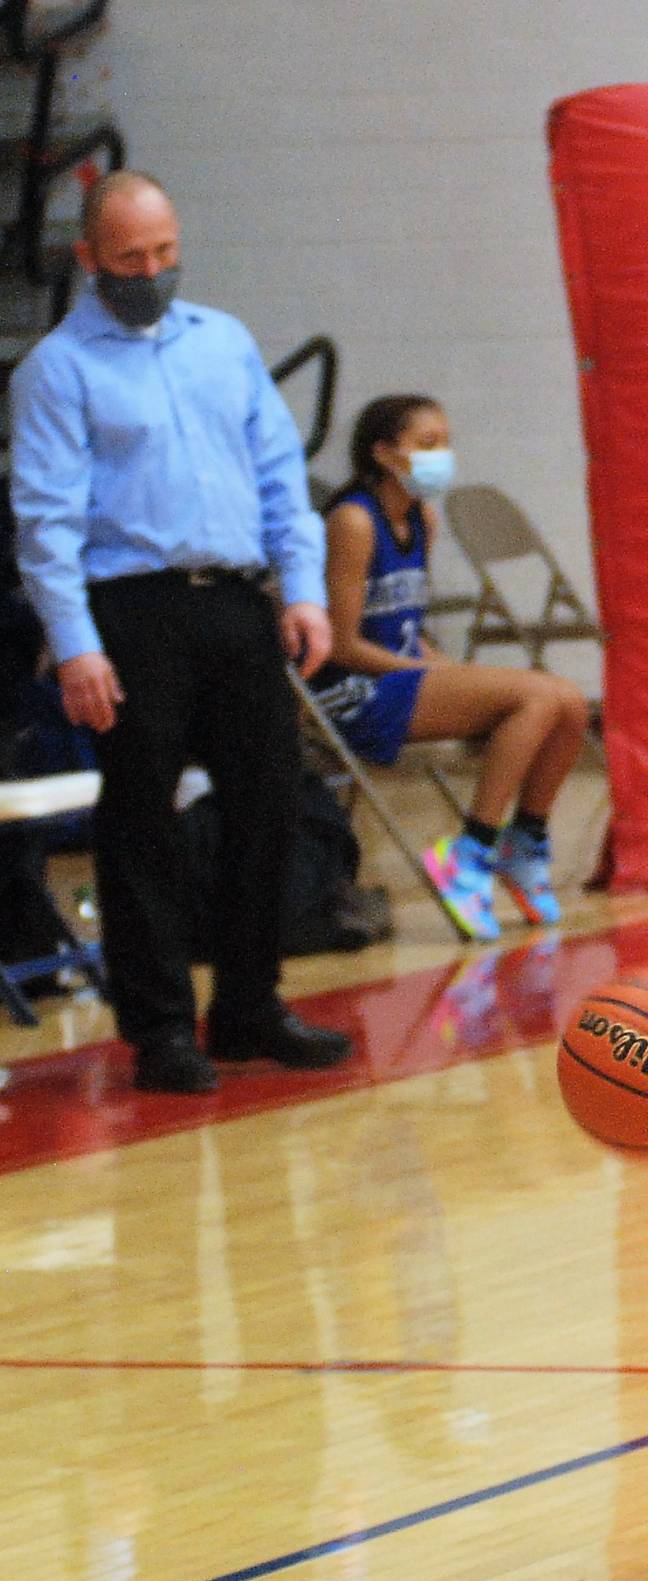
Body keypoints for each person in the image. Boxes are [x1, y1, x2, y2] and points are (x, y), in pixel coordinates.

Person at [8, 170, 353, 1093]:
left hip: (237, 599)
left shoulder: (224, 344)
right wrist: (75, 642)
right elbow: (46, 522)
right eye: (129, 258)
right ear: (88, 259)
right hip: (132, 611)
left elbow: (281, 473)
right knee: (141, 826)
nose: (151, 272)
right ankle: (160, 1029)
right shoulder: (57, 370)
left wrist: (305, 590)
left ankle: (249, 1004)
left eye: (164, 254)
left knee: (267, 806)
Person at [312, 394, 589, 941]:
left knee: (571, 703)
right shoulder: (353, 522)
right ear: (385, 454)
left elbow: (409, 626)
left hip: (399, 674)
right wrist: (428, 675)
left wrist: (440, 667)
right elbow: (341, 645)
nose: (443, 456)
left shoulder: (423, 519)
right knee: (534, 699)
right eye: (428, 444)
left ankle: (524, 841)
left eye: (446, 444)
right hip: (351, 691)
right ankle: (471, 850)